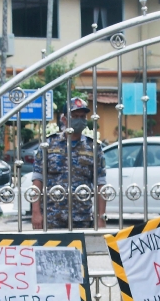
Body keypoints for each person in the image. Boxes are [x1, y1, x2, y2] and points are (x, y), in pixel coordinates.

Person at [31, 97, 106, 230]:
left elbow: (100, 184)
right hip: (52, 216)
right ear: (64, 119)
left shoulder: (94, 146)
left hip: (82, 217)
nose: (79, 120)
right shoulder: (48, 144)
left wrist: (101, 217)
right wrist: (36, 212)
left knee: (81, 251)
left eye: (82, 116)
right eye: (75, 116)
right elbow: (38, 180)